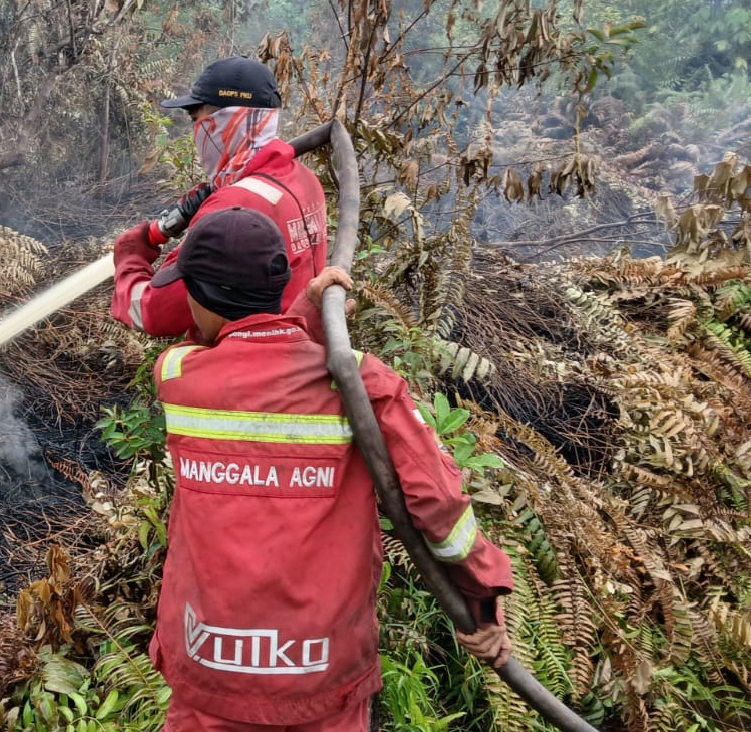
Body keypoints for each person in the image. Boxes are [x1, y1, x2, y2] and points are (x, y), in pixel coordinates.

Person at [145, 205, 514, 731]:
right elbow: (439, 505)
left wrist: (305, 310)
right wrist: (482, 604)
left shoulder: (178, 376)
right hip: (318, 670)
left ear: (204, 295)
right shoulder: (363, 382)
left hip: (209, 668)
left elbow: (241, 359)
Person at [111, 56, 329, 340]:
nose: (195, 134)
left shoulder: (232, 206)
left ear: (224, 122)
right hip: (297, 352)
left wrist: (130, 258)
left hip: (243, 368)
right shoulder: (303, 179)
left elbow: (156, 312)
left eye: (196, 120)